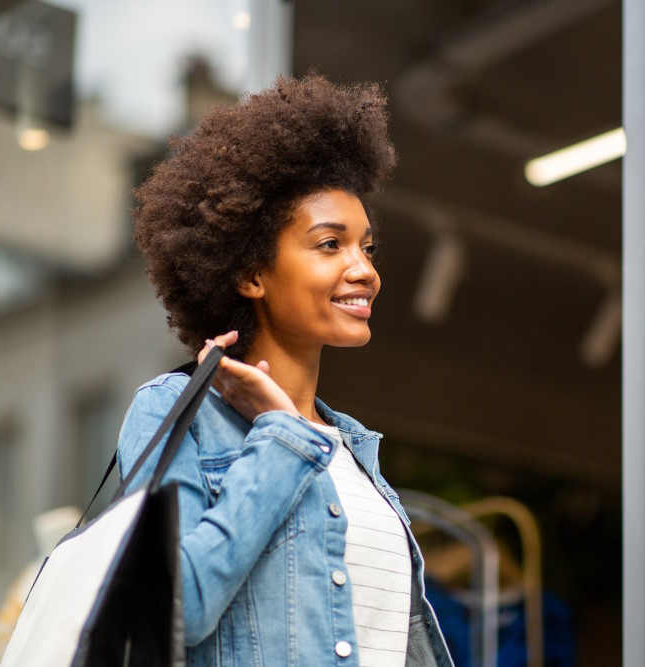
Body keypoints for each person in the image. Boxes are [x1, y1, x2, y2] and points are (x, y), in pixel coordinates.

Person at [119, 74, 454, 667]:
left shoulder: (354, 449)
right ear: (251, 274)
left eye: (367, 247)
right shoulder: (177, 411)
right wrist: (280, 434)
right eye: (330, 245)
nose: (364, 269)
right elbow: (172, 606)